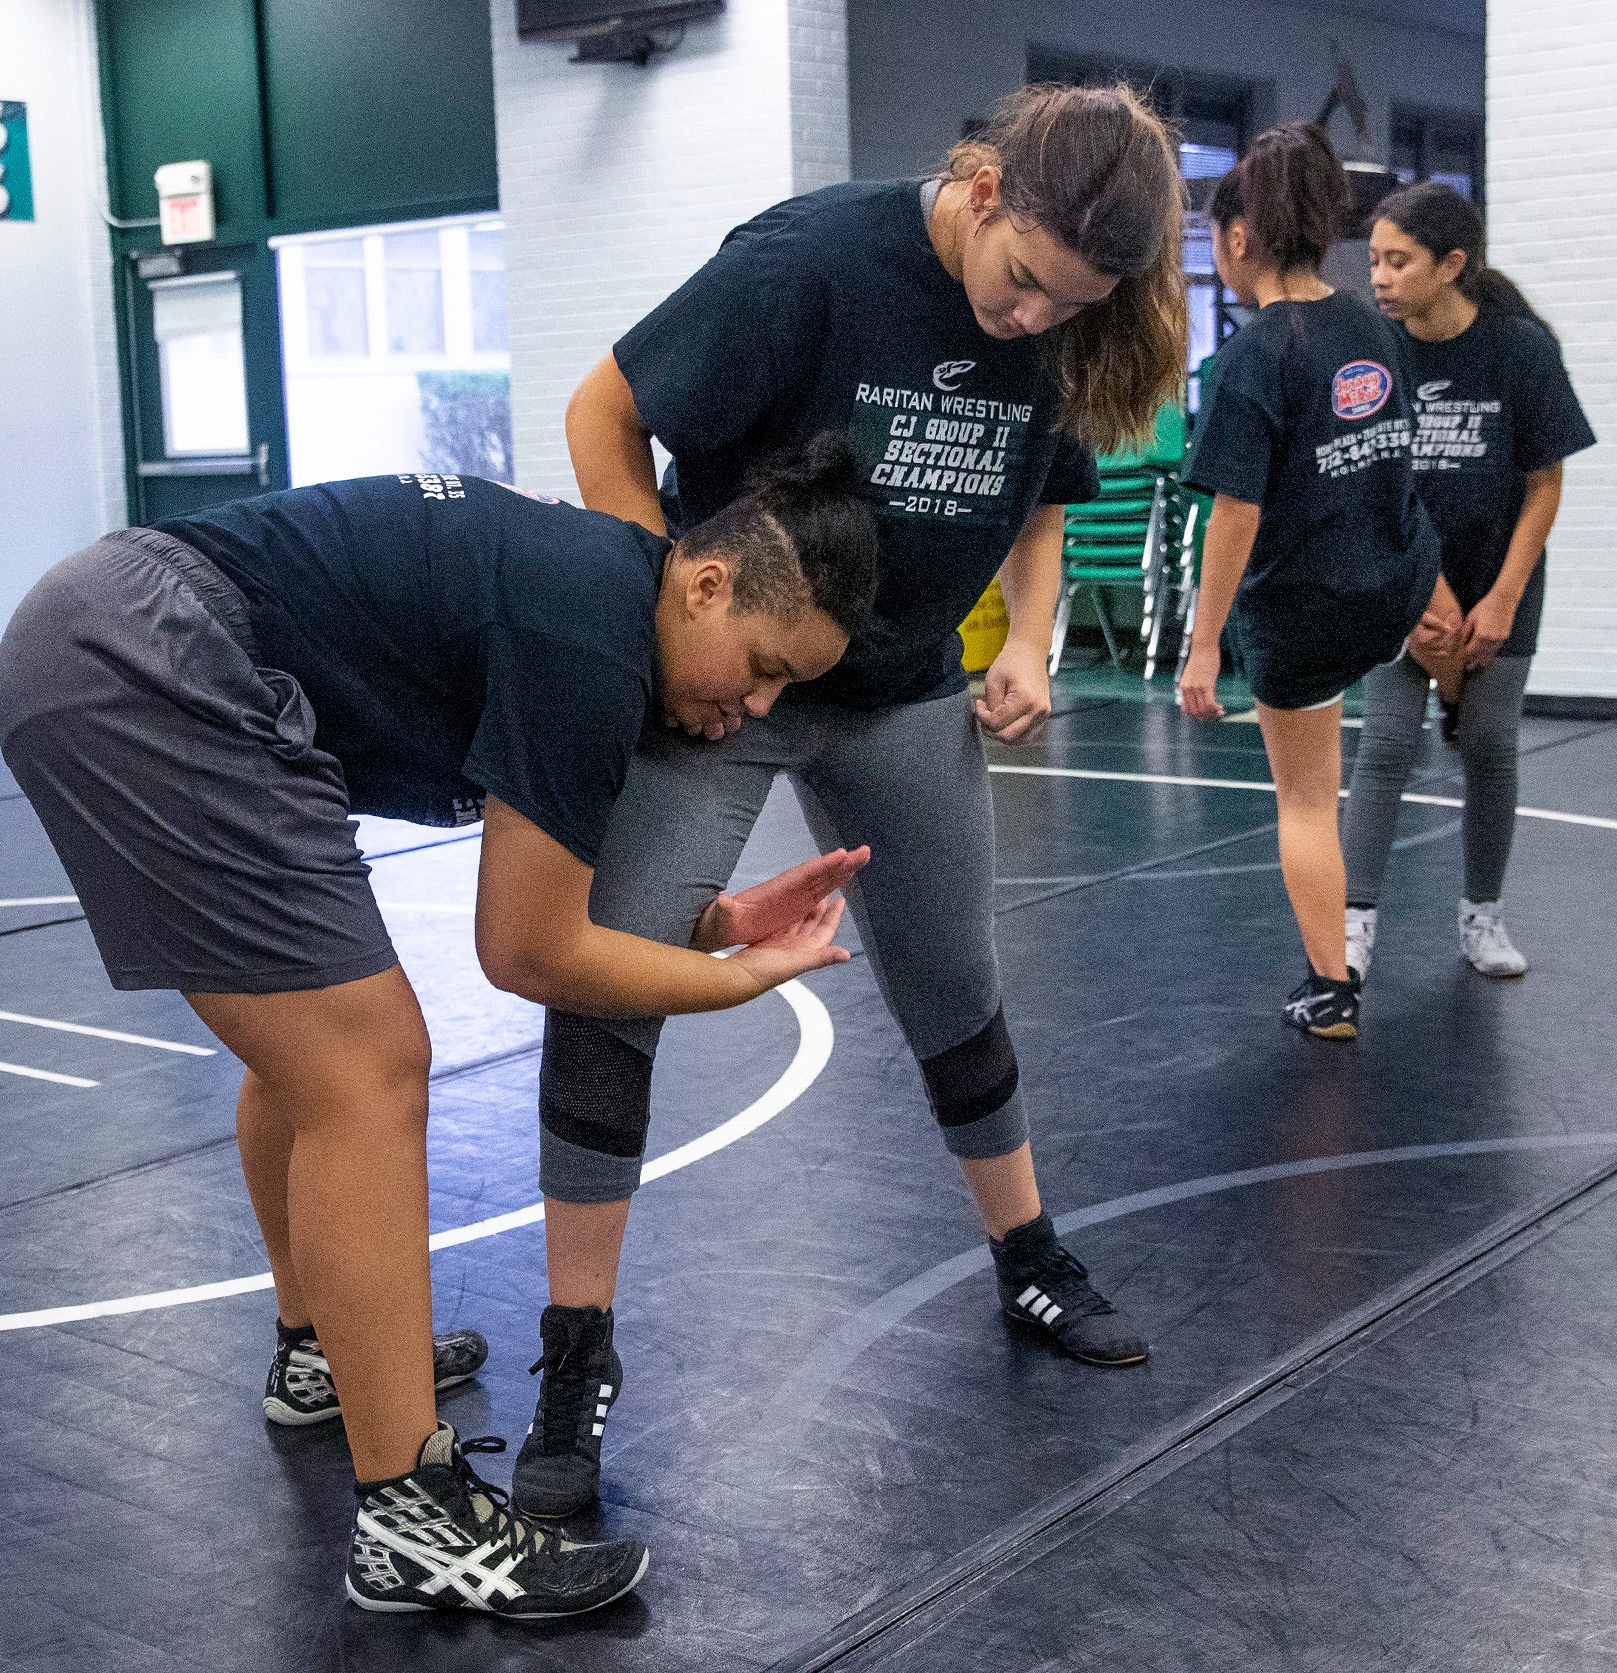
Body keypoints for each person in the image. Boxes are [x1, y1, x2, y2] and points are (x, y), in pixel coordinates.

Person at [0, 447, 879, 1618]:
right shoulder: (592, 639)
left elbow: (545, 895)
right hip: (142, 653)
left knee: (314, 1047)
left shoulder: (598, 598)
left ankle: (318, 1352)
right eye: (763, 670)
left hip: (116, 635)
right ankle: (410, 1515)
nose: (754, 710)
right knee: (370, 1067)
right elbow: (526, 954)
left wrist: (711, 924)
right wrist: (742, 977)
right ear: (706, 584)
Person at [513, 81, 1190, 1523]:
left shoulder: (1060, 318)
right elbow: (602, 410)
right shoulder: (807, 263)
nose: (1026, 324)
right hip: (734, 680)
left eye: (1061, 311)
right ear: (983, 186)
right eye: (1019, 288)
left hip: (899, 690)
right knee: (613, 979)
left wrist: (1030, 628)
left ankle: (1027, 1258)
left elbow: (1046, 487)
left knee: (957, 980)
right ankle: (576, 1353)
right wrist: (660, 613)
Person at [1177, 123, 1442, 1038]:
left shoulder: (1254, 355)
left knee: (1304, 801)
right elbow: (1396, 464)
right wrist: (1430, 592)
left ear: (1239, 238)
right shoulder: (1374, 324)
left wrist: (1204, 643)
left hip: (1309, 616)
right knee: (1356, 743)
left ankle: (1332, 990)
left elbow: (1235, 516)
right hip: (1393, 589)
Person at [1340, 184, 1597, 982]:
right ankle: (1351, 927)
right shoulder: (1372, 350)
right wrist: (1423, 593)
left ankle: (1482, 917)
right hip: (1403, 580)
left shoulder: (1520, 350)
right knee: (1383, 745)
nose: (1377, 276)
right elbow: (1370, 484)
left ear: (1451, 265)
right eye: (1374, 258)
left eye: (1397, 260)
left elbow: (1544, 482)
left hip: (1500, 585)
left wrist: (1504, 597)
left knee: (1488, 744)